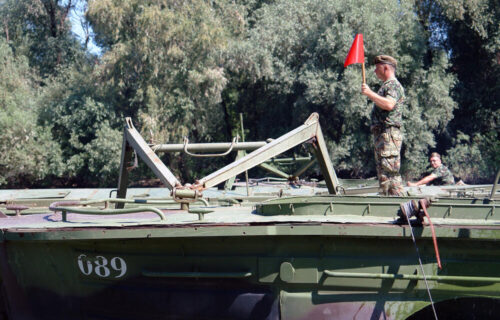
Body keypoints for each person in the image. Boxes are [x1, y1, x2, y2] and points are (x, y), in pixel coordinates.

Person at [361, 55, 406, 196]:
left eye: (377, 67)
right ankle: (389, 205)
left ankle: (403, 206)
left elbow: (389, 104)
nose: (374, 71)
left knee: (390, 175)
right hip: (383, 136)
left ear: (385, 67)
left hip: (388, 135)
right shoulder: (387, 86)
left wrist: (369, 93)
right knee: (385, 176)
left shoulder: (393, 85)